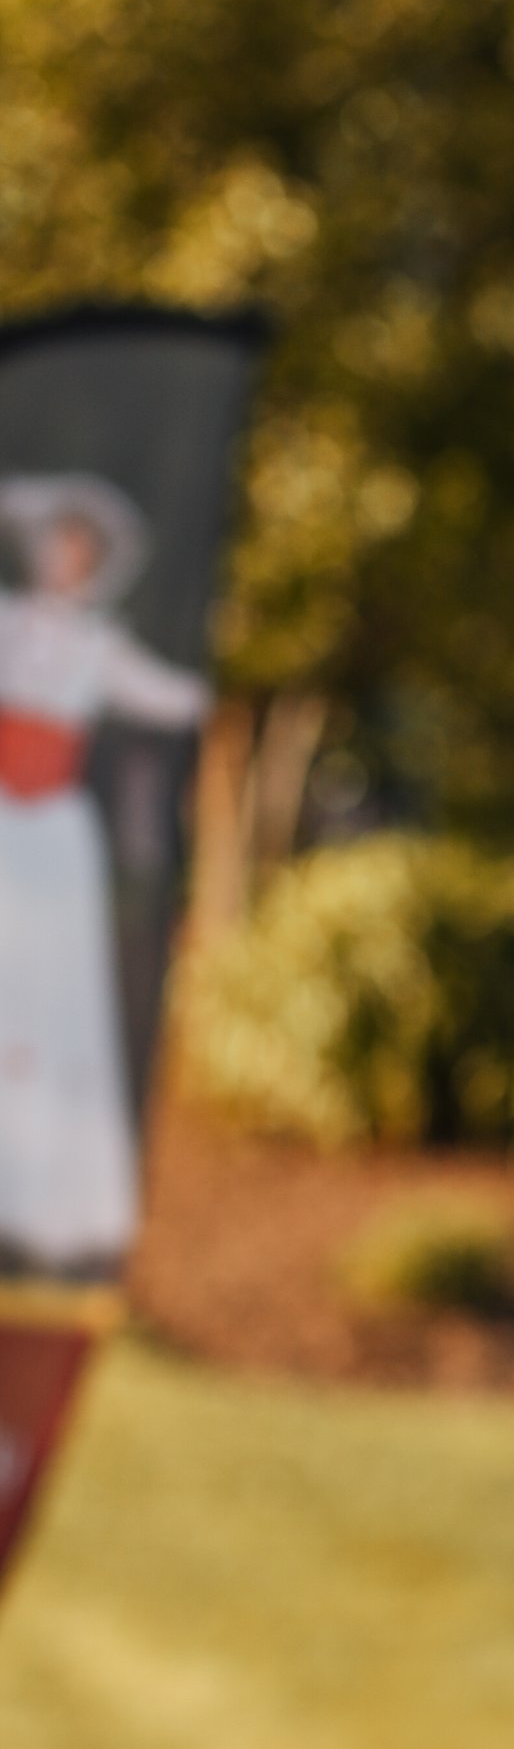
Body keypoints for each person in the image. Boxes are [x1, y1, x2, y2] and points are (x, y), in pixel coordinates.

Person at [0, 476, 209, 1273]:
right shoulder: (10, 626)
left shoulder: (99, 649)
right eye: (59, 544)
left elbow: (175, 698)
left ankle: (40, 1200)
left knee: (47, 1010)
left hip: (51, 838)